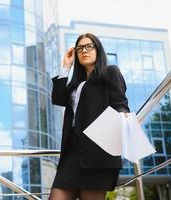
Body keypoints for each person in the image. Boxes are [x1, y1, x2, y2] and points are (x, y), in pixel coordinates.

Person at [49, 33, 130, 200]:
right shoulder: (75, 83)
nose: (84, 51)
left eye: (88, 46)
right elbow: (58, 99)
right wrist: (65, 66)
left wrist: (123, 116)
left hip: (98, 149)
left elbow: (120, 103)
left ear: (98, 49)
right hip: (72, 150)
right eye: (79, 49)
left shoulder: (110, 72)